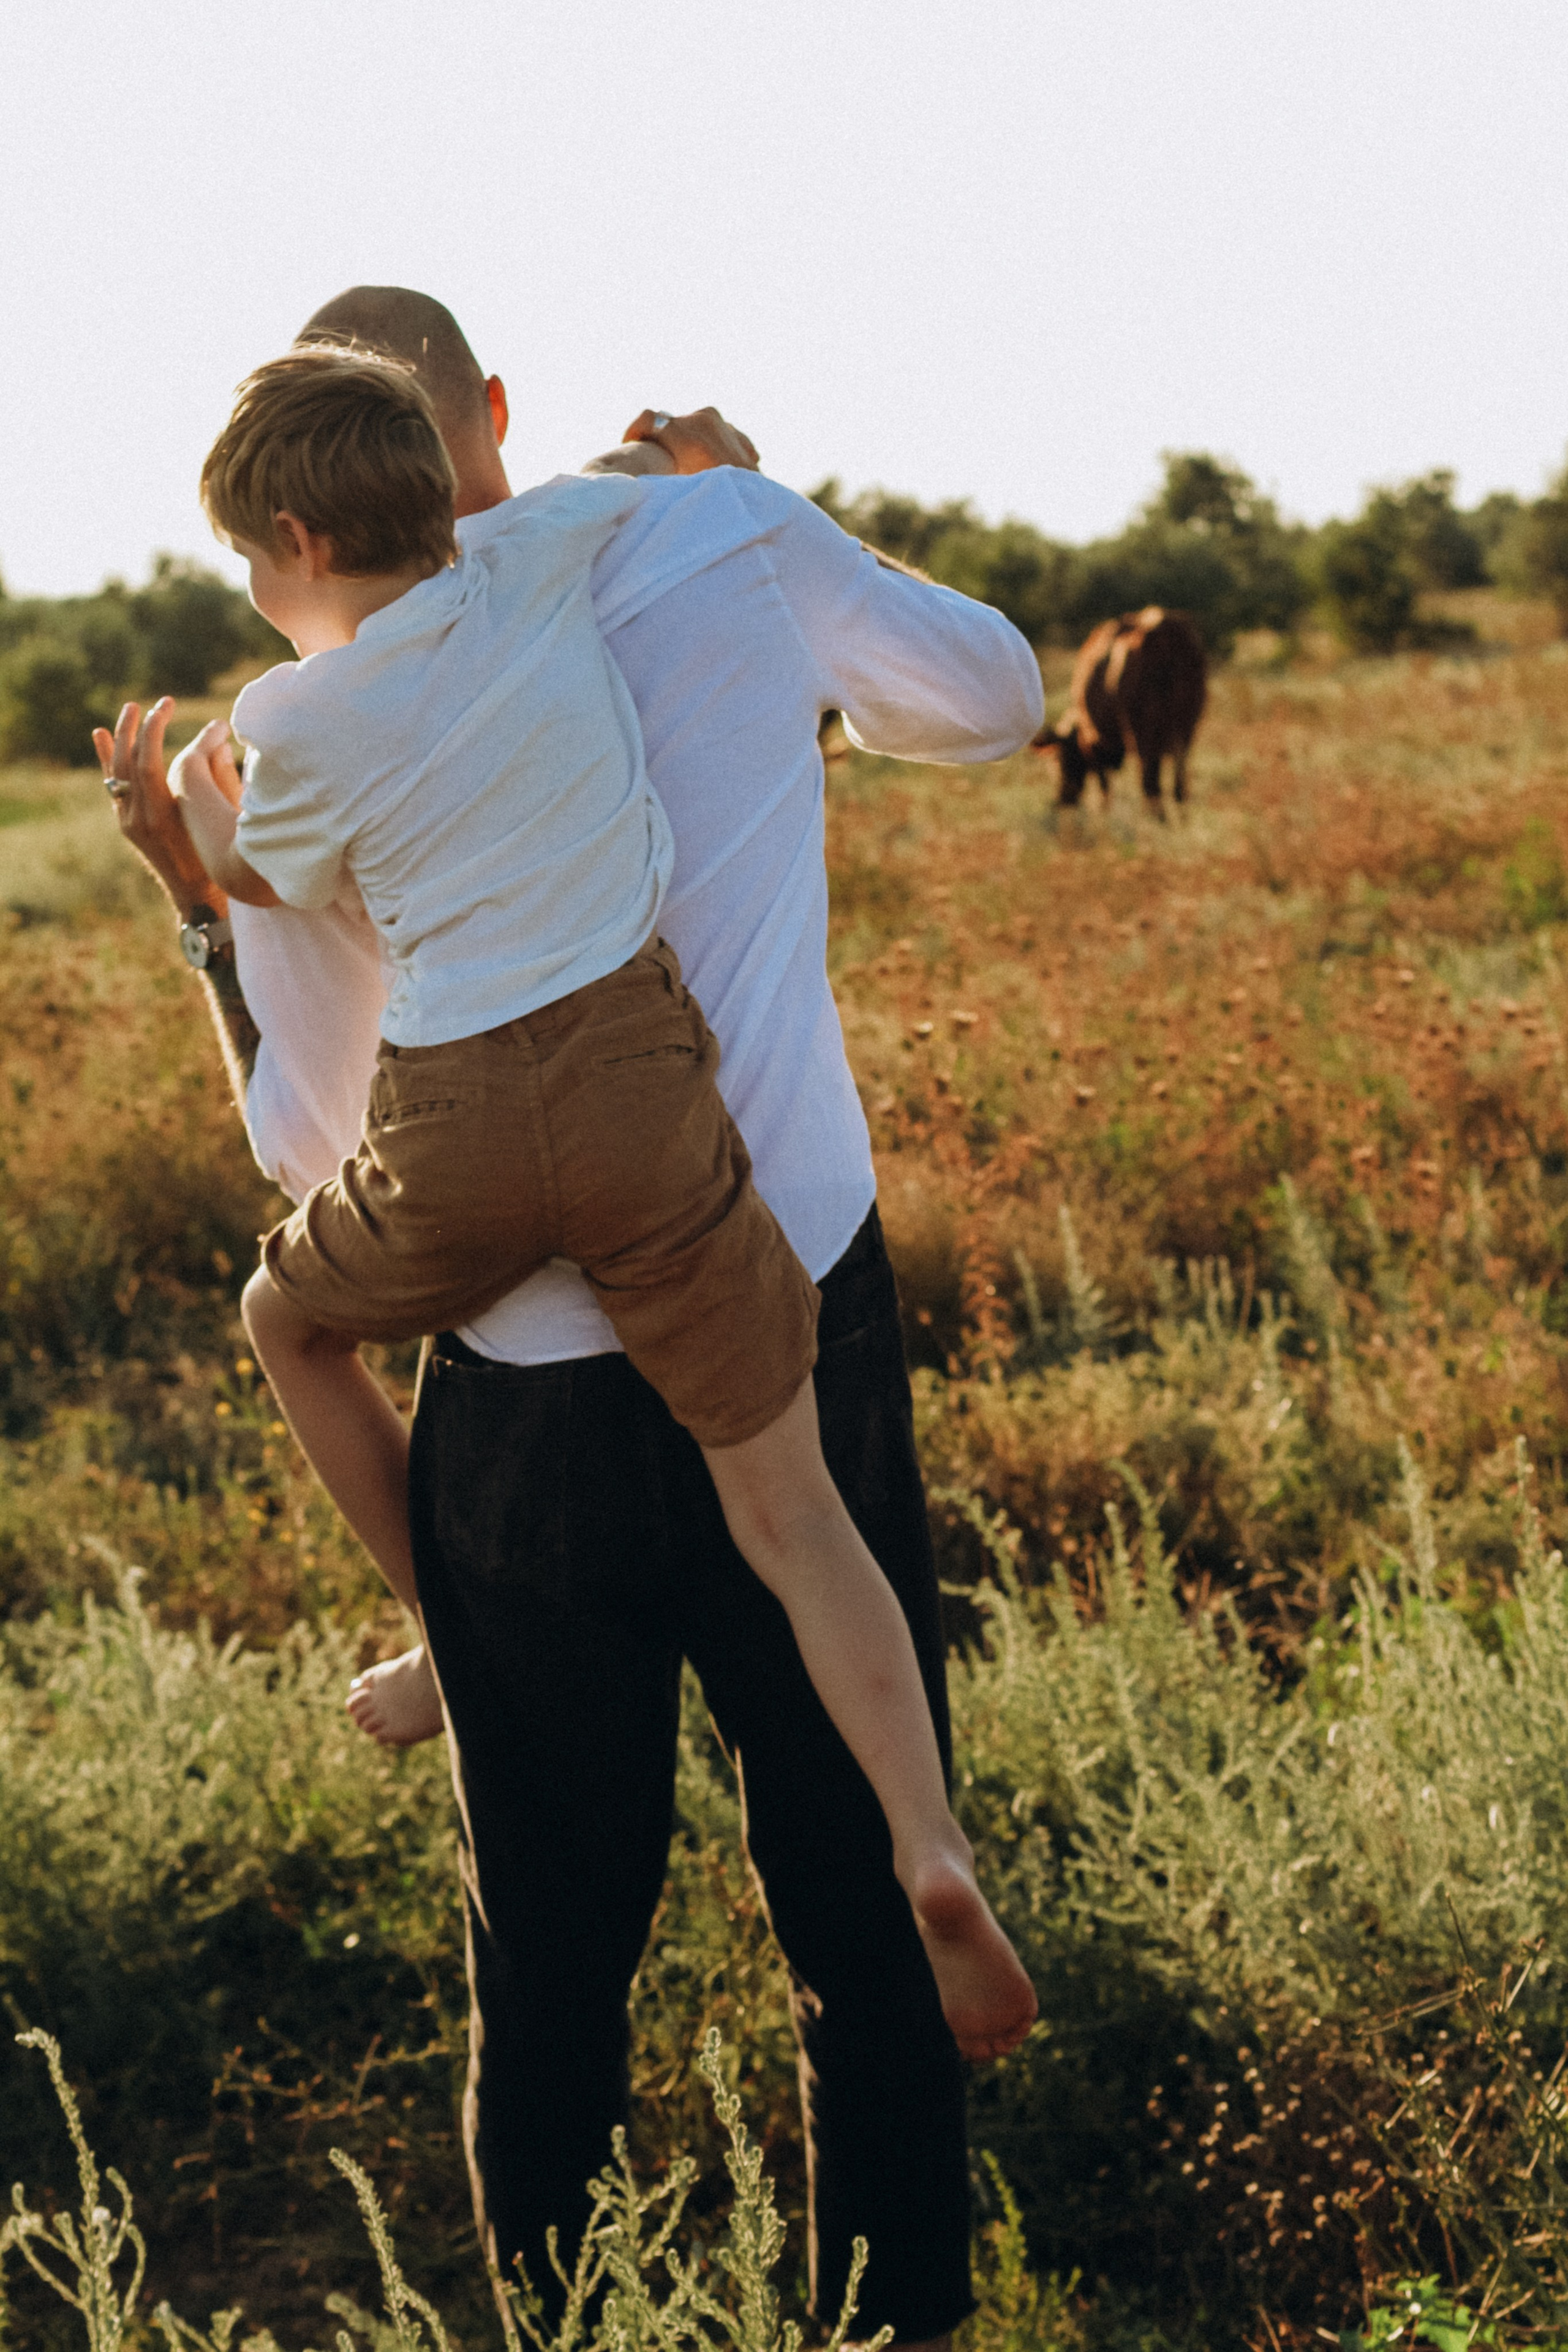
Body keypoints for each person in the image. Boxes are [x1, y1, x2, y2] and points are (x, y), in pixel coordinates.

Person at [99, 286, 1045, 2351]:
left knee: (549, 1959)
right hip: (773, 1294)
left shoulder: (297, 723)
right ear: (487, 421)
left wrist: (206, 910)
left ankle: (553, 2315)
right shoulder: (709, 528)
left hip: (517, 1398)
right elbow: (994, 700)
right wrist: (765, 496)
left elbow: (310, 1135)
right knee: (854, 1909)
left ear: (296, 526)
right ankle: (897, 2307)